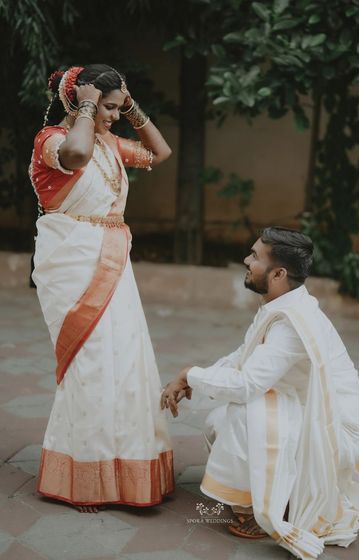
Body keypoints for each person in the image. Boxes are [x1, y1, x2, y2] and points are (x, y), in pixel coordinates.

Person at [161, 227, 359, 559]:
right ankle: (279, 489)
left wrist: (189, 374)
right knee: (219, 419)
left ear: (278, 273)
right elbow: (242, 357)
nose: (246, 261)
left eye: (254, 256)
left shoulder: (291, 322)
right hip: (311, 412)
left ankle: (257, 511)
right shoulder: (282, 304)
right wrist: (193, 380)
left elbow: (249, 383)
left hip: (339, 430)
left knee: (247, 408)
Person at [30, 64, 174, 513]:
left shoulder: (111, 143)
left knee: (126, 362)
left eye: (117, 108)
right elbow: (76, 156)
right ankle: (84, 475)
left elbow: (161, 152)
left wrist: (130, 108)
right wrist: (89, 107)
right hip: (73, 262)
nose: (113, 117)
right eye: (108, 108)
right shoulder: (51, 140)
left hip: (113, 260)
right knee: (89, 365)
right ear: (82, 101)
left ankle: (124, 469)